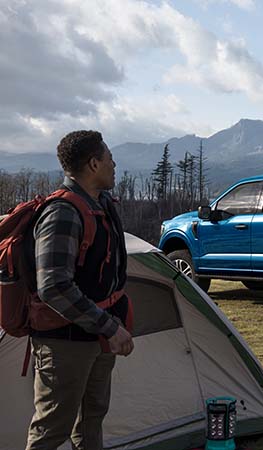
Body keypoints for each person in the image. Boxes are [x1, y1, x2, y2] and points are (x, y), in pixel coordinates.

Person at [26, 130, 134, 450]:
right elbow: (54, 286)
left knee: (91, 419)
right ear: (93, 163)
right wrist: (108, 326)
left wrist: (108, 326)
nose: (114, 163)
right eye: (109, 157)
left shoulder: (98, 205)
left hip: (96, 335)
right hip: (64, 343)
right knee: (52, 429)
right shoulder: (63, 212)